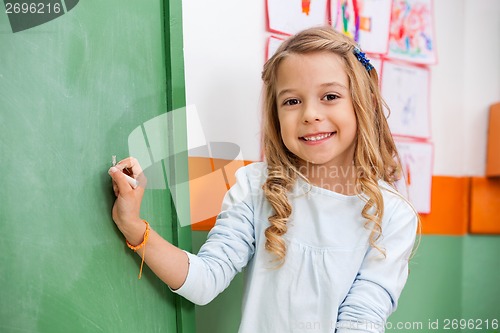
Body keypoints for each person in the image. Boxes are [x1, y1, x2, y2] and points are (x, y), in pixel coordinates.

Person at [108, 26, 418, 333]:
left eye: (330, 96)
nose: (310, 114)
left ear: (365, 102)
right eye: (291, 101)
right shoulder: (256, 187)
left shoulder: (393, 215)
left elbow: (361, 320)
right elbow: (205, 280)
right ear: (276, 114)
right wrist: (132, 224)